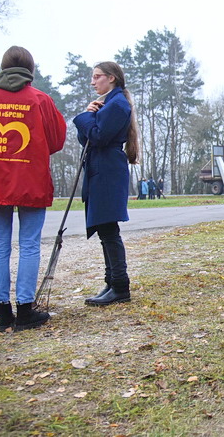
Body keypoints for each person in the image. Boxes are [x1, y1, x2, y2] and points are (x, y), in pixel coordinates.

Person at [0, 46, 66, 332]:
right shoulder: (39, 99)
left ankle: (2, 314)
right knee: (30, 244)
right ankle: (25, 310)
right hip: (30, 180)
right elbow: (57, 139)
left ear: (3, 66)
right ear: (30, 70)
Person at [74, 61, 140, 306]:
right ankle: (111, 282)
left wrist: (87, 117)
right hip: (101, 168)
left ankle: (120, 286)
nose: (93, 82)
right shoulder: (109, 102)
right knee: (105, 229)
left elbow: (99, 137)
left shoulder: (117, 104)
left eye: (97, 76)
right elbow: (88, 139)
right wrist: (90, 114)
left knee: (109, 229)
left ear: (111, 78)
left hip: (108, 170)